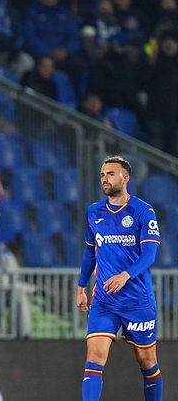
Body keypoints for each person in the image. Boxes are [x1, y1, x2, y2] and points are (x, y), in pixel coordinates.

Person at [76, 156, 163, 401]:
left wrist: (125, 275)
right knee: (94, 357)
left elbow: (149, 254)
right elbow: (89, 252)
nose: (105, 178)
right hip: (105, 300)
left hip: (138, 301)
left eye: (111, 174)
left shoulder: (143, 211)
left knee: (147, 362)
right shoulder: (94, 212)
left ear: (126, 178)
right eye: (102, 174)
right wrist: (81, 286)